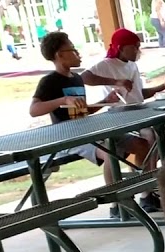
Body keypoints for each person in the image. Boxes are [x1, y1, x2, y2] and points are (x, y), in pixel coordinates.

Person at [29, 32, 153, 214]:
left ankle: (146, 194)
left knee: (143, 145)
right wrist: (62, 100)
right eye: (72, 49)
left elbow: (82, 111)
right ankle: (117, 204)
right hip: (69, 137)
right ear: (59, 55)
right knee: (111, 154)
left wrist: (106, 101)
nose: (77, 53)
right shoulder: (49, 81)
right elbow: (34, 110)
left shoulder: (77, 78)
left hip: (88, 129)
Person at [85, 28, 165, 212]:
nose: (137, 51)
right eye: (134, 47)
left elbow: (139, 94)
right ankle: (144, 193)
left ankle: (145, 170)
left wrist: (163, 86)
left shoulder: (132, 65)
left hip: (139, 111)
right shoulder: (107, 64)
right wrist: (115, 82)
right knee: (150, 137)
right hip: (120, 115)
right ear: (121, 47)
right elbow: (85, 77)